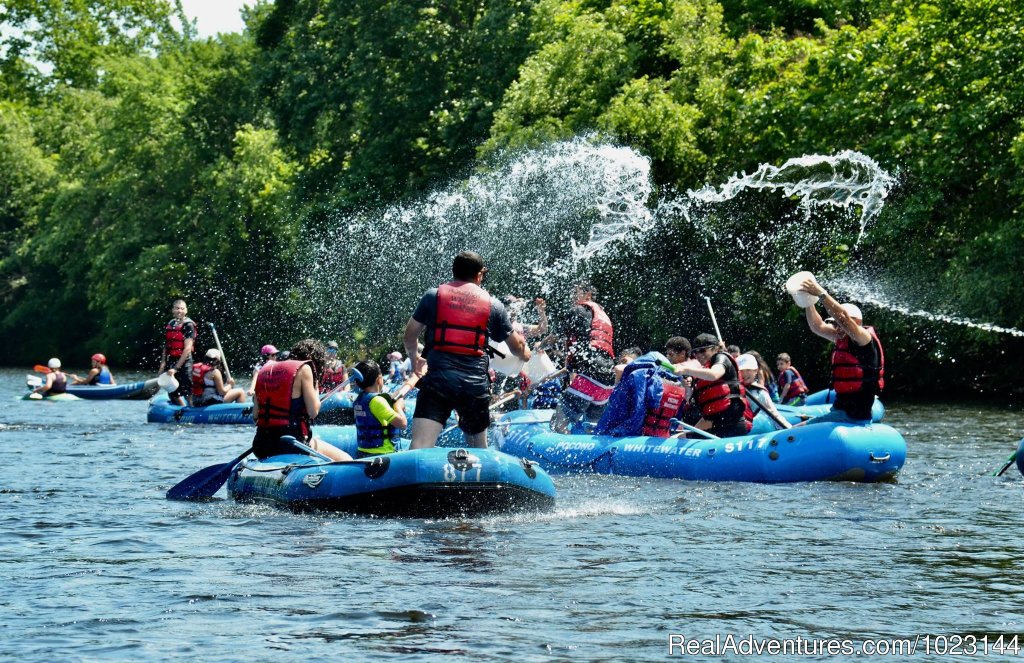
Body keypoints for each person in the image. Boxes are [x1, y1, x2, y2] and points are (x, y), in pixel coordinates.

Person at [403, 251, 530, 449]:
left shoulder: (432, 296)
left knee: (419, 446)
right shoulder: (494, 305)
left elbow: (410, 336)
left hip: (438, 381)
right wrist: (526, 354)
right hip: (474, 385)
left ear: (454, 272)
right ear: (480, 275)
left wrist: (415, 360)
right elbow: (517, 348)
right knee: (479, 452)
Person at [798, 278, 884, 423]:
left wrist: (820, 293)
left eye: (838, 324)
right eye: (834, 324)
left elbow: (843, 318)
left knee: (796, 431)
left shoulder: (863, 339)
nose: (836, 328)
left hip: (853, 414)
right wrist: (809, 301)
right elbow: (817, 326)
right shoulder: (842, 337)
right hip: (840, 410)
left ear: (855, 323)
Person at [252, 338, 352, 461]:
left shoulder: (265, 369)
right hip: (292, 444)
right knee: (346, 459)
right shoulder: (305, 368)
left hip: (261, 445)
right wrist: (315, 385)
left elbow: (255, 415)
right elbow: (313, 411)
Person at [551, 281, 616, 433]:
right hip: (607, 381)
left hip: (590, 376)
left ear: (588, 295)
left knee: (557, 424)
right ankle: (591, 455)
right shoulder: (600, 315)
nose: (572, 296)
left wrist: (541, 346)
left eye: (576, 293)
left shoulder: (579, 310)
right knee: (591, 429)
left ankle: (557, 456)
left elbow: (556, 335)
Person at [674, 333, 753, 437]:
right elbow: (708, 416)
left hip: (733, 428)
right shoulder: (703, 373)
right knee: (679, 437)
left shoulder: (721, 358)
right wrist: (688, 433)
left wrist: (686, 370)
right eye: (695, 352)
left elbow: (714, 374)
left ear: (715, 349)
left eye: (702, 350)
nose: (698, 355)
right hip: (717, 428)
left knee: (681, 438)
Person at [595, 351, 688, 437]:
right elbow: (677, 419)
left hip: (629, 437)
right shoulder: (674, 382)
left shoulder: (639, 374)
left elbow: (637, 409)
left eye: (624, 361)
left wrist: (617, 432)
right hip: (659, 437)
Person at [352, 360, 409, 457]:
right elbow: (402, 424)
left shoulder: (360, 399)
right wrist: (398, 407)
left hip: (363, 452)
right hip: (382, 454)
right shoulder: (377, 401)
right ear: (379, 379)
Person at [158, 299, 196, 406]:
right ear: (173, 310)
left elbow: (187, 349)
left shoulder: (188, 325)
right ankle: (181, 408)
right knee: (172, 391)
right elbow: (166, 346)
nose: (179, 311)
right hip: (171, 360)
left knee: (187, 389)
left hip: (185, 361)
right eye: (177, 308)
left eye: (182, 308)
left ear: (186, 311)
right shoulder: (171, 324)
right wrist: (163, 364)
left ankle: (191, 408)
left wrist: (175, 368)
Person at [737, 354, 791, 429]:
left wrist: (788, 429)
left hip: (756, 428)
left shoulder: (760, 393)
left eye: (748, 370)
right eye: (741, 371)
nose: (745, 374)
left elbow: (773, 413)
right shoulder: (734, 390)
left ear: (756, 371)